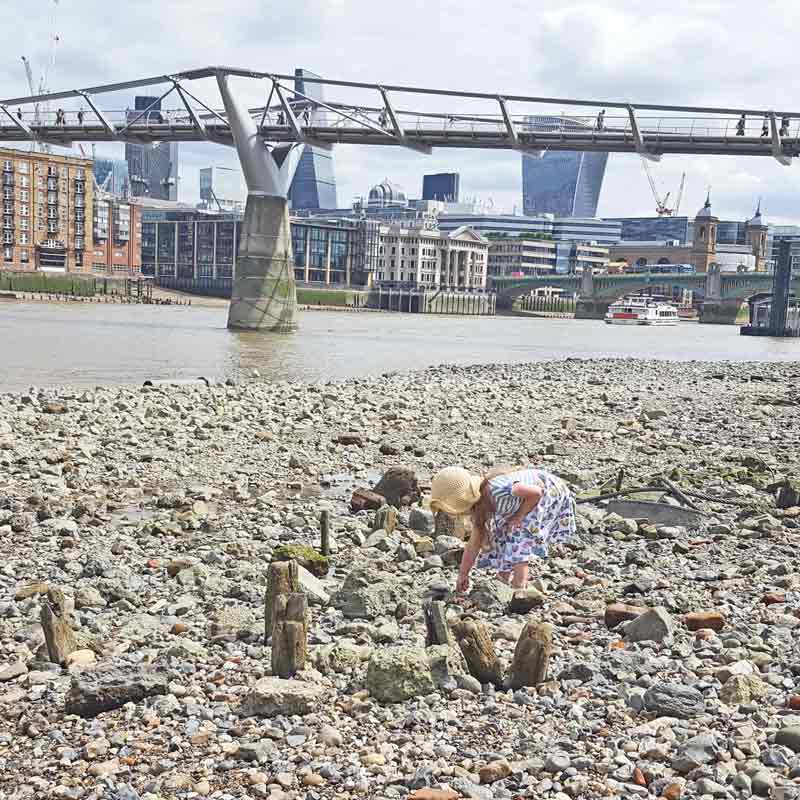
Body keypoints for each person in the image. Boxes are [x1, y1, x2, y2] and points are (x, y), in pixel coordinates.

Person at [430, 465, 576, 591]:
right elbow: (473, 545)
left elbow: (536, 493)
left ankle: (519, 586)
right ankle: (503, 578)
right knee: (501, 532)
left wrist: (519, 516)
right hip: (525, 499)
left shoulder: (498, 490)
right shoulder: (481, 505)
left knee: (518, 534)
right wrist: (463, 574)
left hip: (549, 491)